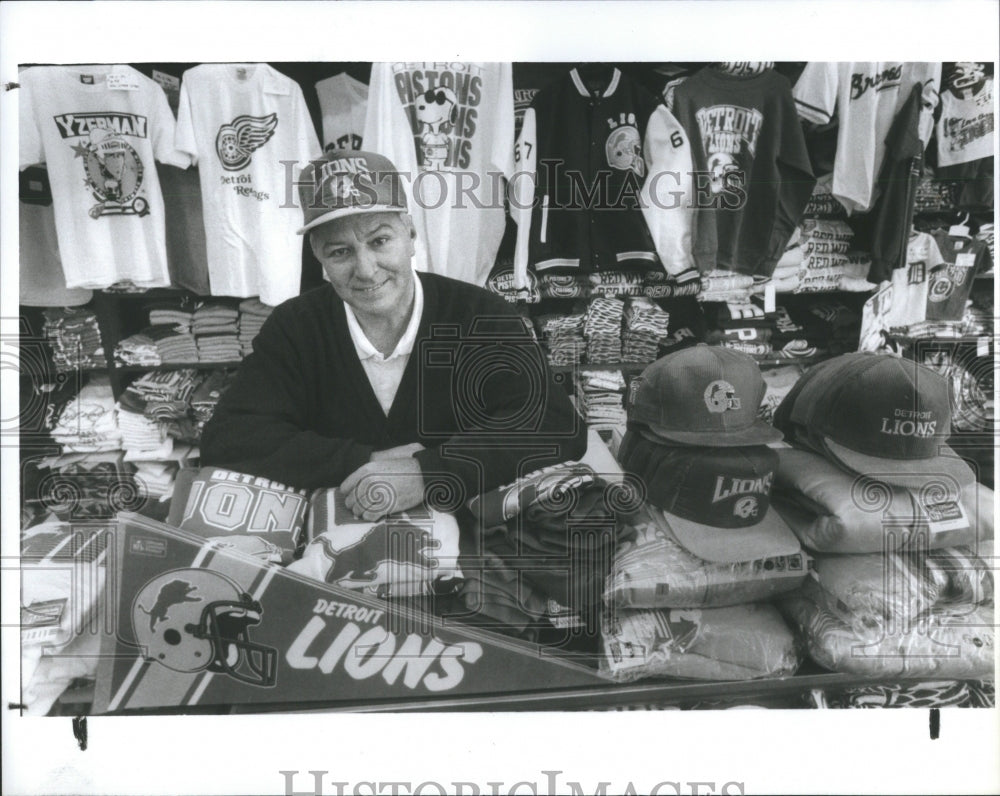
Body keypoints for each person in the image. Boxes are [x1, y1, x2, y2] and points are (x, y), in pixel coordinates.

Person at [200, 150, 586, 521]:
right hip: (334, 548)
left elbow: (553, 423)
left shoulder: (478, 314)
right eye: (340, 252)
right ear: (318, 258)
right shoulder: (296, 327)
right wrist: (367, 461)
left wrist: (428, 473)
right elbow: (230, 437)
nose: (366, 270)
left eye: (380, 241)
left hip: (463, 552)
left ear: (411, 232)